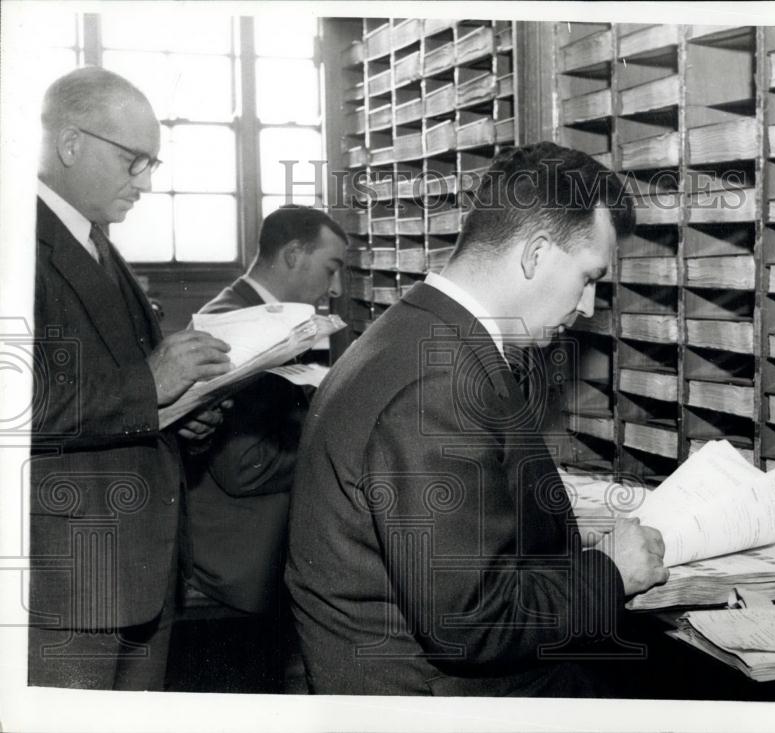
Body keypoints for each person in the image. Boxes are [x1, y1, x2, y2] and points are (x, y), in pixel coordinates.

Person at [285, 142, 669, 697]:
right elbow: (469, 623)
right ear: (537, 254)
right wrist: (610, 573)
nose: (587, 306)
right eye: (588, 277)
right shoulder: (437, 384)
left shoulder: (419, 331)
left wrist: (555, 535)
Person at [29, 66, 232, 690]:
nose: (144, 182)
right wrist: (152, 382)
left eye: (152, 164)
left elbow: (119, 382)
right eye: (133, 161)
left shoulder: (93, 239)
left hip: (134, 574)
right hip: (69, 589)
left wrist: (181, 408)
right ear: (70, 144)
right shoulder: (21, 241)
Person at [179, 205, 346, 691]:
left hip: (240, 557)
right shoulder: (241, 328)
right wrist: (334, 453)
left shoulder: (251, 313)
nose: (334, 288)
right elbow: (244, 468)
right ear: (294, 255)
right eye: (330, 268)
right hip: (240, 567)